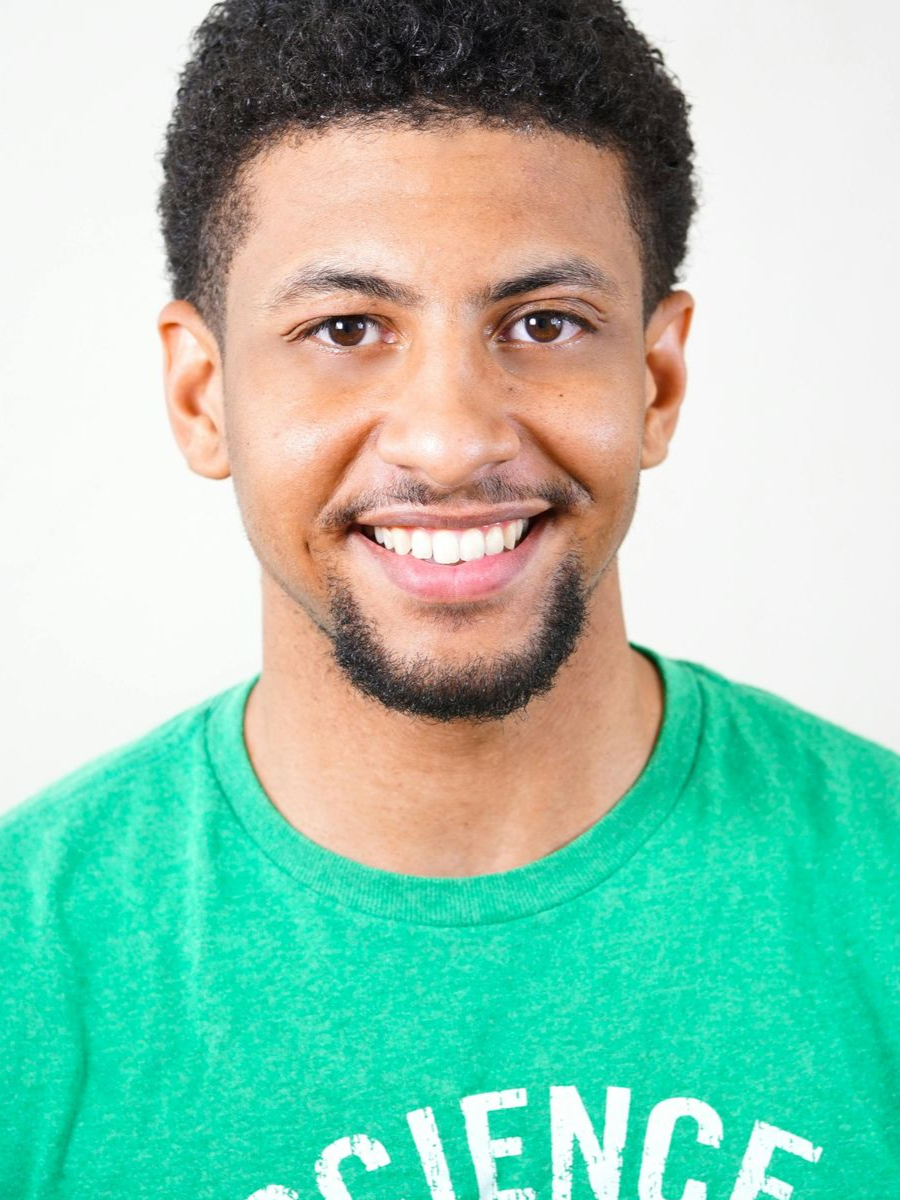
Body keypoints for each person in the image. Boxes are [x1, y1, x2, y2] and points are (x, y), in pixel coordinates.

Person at [1, 0, 897, 1195]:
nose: (451, 439)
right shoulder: (30, 973)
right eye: (347, 327)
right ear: (203, 397)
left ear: (657, 379)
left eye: (541, 323)